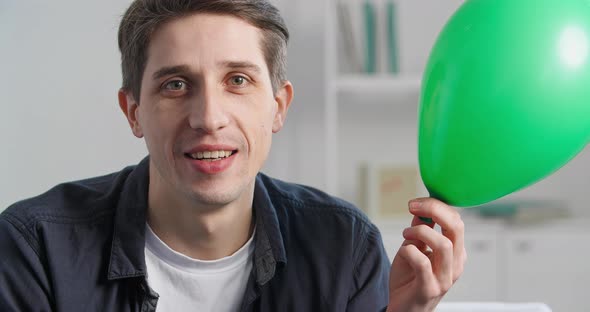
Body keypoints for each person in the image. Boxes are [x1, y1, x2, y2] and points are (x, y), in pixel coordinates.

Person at [0, 0, 466, 311]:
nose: (208, 117)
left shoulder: (344, 246)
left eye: (238, 80)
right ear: (134, 111)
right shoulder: (34, 250)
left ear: (278, 106)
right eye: (175, 84)